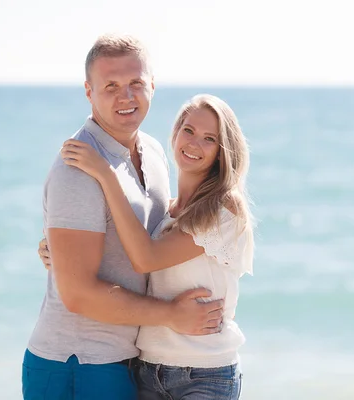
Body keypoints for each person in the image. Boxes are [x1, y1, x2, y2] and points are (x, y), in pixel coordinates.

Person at [23, 34, 224, 400]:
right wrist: (171, 315)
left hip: (133, 360)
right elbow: (78, 295)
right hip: (78, 362)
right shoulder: (78, 167)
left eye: (135, 83)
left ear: (152, 85)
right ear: (89, 91)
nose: (125, 97)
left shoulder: (154, 151)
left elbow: (157, 228)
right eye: (110, 86)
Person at [39, 93, 255, 399]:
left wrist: (104, 173)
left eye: (209, 139)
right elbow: (124, 246)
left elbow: (145, 258)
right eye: (189, 130)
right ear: (177, 131)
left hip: (204, 373)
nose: (193, 144)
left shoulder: (224, 208)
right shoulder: (166, 215)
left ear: (222, 153)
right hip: (147, 370)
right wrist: (61, 254)